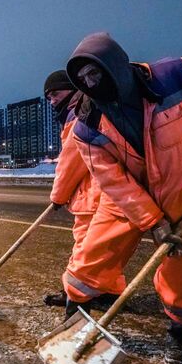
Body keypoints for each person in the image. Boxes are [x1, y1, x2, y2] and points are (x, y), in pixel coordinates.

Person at [65, 32, 182, 364]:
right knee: (90, 261)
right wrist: (152, 221)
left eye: (95, 73)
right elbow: (113, 180)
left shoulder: (174, 78)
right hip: (123, 202)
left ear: (116, 66)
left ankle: (181, 335)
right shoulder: (87, 123)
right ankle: (72, 322)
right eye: (83, 80)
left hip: (179, 194)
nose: (91, 84)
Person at [41, 71, 121, 308]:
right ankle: (110, 289)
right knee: (102, 249)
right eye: (49, 97)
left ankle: (75, 294)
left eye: (56, 93)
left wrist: (58, 196)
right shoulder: (86, 111)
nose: (52, 100)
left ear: (73, 89)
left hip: (93, 194)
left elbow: (71, 162)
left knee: (85, 247)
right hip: (100, 191)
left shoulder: (79, 117)